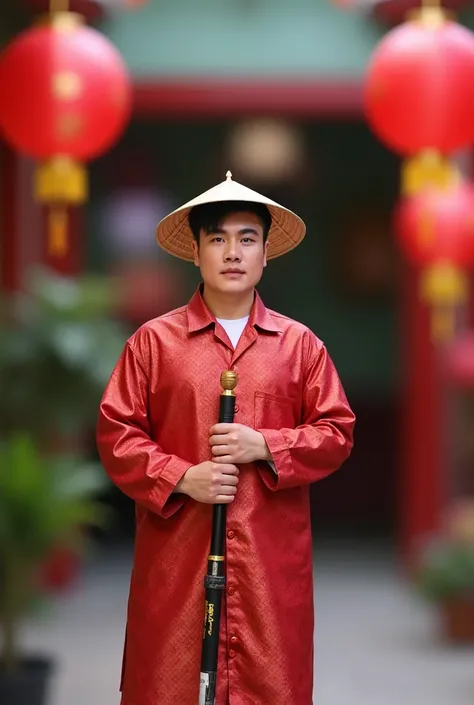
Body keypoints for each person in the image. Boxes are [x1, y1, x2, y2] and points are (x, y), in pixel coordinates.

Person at [96, 172, 355, 705]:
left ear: (265, 254)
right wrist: (182, 476)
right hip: (177, 565)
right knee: (169, 686)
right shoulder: (153, 344)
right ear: (194, 252)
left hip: (269, 568)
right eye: (217, 238)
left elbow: (336, 432)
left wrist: (267, 445)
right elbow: (116, 433)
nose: (232, 253)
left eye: (246, 239)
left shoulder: (299, 346)